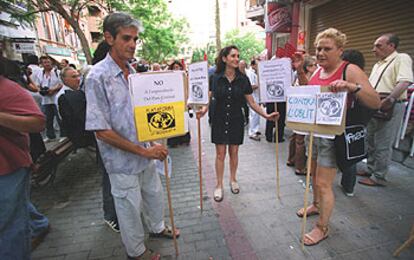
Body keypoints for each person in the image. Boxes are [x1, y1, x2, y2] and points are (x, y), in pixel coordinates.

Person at [84, 13, 180, 260]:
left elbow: (143, 113)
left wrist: (155, 139)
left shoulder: (134, 71)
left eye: (135, 39)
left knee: (154, 194)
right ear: (109, 38)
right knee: (129, 207)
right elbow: (101, 131)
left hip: (146, 153)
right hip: (122, 161)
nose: (132, 44)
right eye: (126, 38)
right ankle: (136, 252)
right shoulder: (96, 76)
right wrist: (143, 151)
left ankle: (157, 228)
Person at [293, 28, 380, 246]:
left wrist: (352, 87)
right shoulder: (317, 71)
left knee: (323, 184)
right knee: (313, 175)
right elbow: (310, 93)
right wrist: (300, 72)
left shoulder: (349, 70)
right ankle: (315, 205)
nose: (321, 53)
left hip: (333, 136)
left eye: (327, 49)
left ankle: (323, 228)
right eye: (318, 48)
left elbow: (375, 101)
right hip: (316, 131)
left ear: (340, 50)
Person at [197, 45, 279, 202]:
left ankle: (233, 179)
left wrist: (266, 115)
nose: (236, 59)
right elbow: (207, 99)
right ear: (224, 58)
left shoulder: (243, 79)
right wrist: (203, 110)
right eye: (233, 56)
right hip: (219, 119)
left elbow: (252, 103)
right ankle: (219, 185)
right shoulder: (215, 77)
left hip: (236, 119)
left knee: (234, 153)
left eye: (237, 56)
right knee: (220, 154)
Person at [0, 56, 46, 259]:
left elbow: (37, 122)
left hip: (8, 169)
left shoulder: (6, 87)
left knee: (10, 226)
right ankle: (38, 223)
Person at [358, 33, 413, 187]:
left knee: (383, 141)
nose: (373, 49)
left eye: (378, 46)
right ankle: (370, 168)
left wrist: (391, 99)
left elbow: (405, 80)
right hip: (375, 104)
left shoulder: (401, 58)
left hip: (390, 105)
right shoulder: (378, 64)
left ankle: (379, 176)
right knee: (370, 139)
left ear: (391, 46)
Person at [338, 49, 366, 196]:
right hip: (354, 123)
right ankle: (348, 186)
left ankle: (348, 185)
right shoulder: (362, 77)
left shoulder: (351, 77)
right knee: (350, 152)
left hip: (347, 120)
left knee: (347, 153)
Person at [287, 55, 317, 175]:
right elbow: (307, 87)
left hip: (299, 112)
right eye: (314, 65)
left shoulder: (300, 78)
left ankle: (292, 159)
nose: (317, 67)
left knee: (295, 138)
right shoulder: (305, 77)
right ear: (309, 67)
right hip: (304, 112)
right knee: (300, 140)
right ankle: (300, 167)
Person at [32, 56, 64, 142]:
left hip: (56, 98)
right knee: (47, 119)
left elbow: (61, 84)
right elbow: (37, 85)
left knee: (59, 117)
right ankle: (50, 136)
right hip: (45, 100)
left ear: (51, 63)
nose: (47, 64)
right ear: (41, 64)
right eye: (44, 62)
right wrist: (41, 90)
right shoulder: (40, 74)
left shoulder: (57, 72)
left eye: (48, 62)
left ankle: (63, 134)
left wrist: (53, 90)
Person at [166, 60, 191, 148]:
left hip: (183, 101)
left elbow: (187, 88)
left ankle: (184, 140)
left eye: (178, 67)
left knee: (184, 120)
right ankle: (174, 141)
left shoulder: (184, 75)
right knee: (173, 121)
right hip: (173, 101)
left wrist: (188, 100)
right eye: (175, 67)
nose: (177, 68)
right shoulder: (169, 77)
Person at [247, 59, 261, 141]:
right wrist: (259, 85)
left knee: (257, 114)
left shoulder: (256, 73)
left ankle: (256, 129)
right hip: (252, 97)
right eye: (257, 64)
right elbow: (250, 86)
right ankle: (252, 132)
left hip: (257, 97)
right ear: (253, 65)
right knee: (253, 114)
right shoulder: (250, 73)